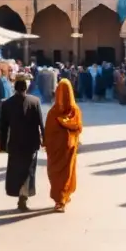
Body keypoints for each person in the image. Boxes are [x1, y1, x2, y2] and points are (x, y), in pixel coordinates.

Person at [0, 77, 45, 212]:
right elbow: (40, 123)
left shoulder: (7, 104)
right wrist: (44, 139)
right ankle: (23, 197)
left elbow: (2, 127)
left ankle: (20, 195)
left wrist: (2, 145)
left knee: (17, 171)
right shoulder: (35, 101)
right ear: (26, 88)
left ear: (14, 88)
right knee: (28, 171)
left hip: (15, 144)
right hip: (31, 144)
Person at [45, 79, 83, 213]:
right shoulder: (75, 111)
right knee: (66, 174)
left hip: (55, 151)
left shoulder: (52, 113)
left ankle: (60, 200)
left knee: (55, 175)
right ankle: (63, 197)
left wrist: (47, 145)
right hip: (69, 148)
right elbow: (78, 128)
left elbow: (47, 133)